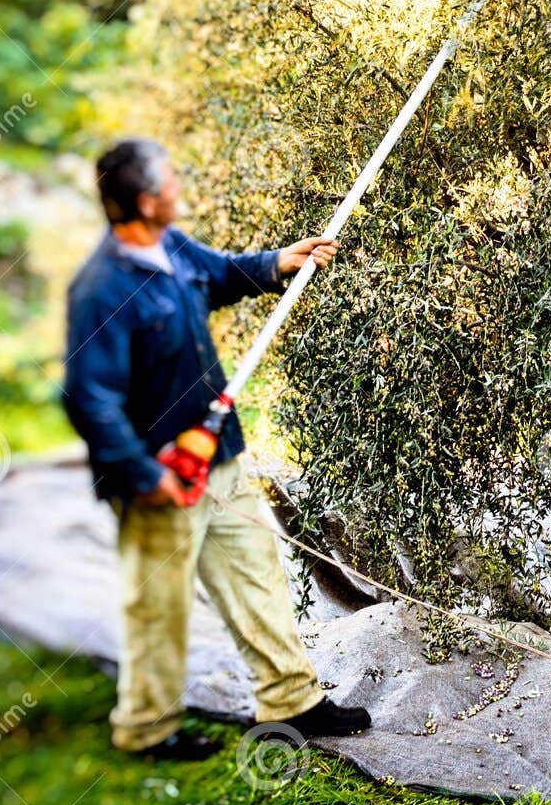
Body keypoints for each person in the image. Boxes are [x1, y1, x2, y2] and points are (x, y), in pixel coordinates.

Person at [62, 137, 371, 760]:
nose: (180, 188)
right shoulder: (100, 288)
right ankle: (146, 728)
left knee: (257, 575)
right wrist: (145, 473)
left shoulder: (170, 246)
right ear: (147, 201)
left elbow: (221, 275)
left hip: (218, 454)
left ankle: (291, 701)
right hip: (161, 476)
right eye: (171, 182)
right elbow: (87, 398)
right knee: (160, 606)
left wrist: (282, 260)